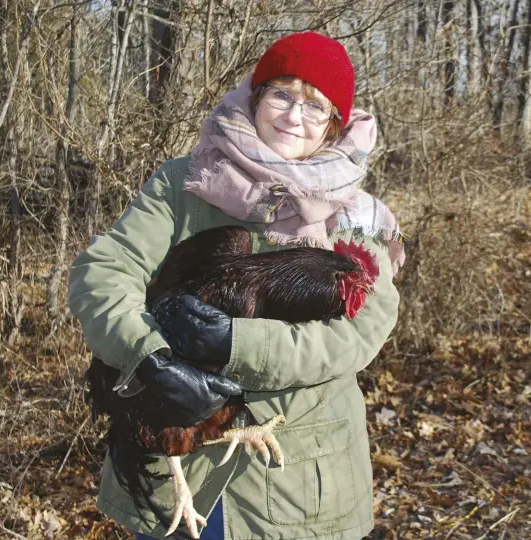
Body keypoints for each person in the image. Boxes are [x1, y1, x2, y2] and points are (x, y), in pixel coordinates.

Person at [68, 31, 404, 540]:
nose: (294, 115)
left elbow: (355, 336)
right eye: (282, 94)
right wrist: (150, 356)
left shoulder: (357, 215)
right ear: (257, 97)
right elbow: (105, 271)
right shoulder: (188, 181)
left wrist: (233, 344)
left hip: (297, 484)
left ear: (335, 123)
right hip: (178, 470)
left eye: (315, 106)